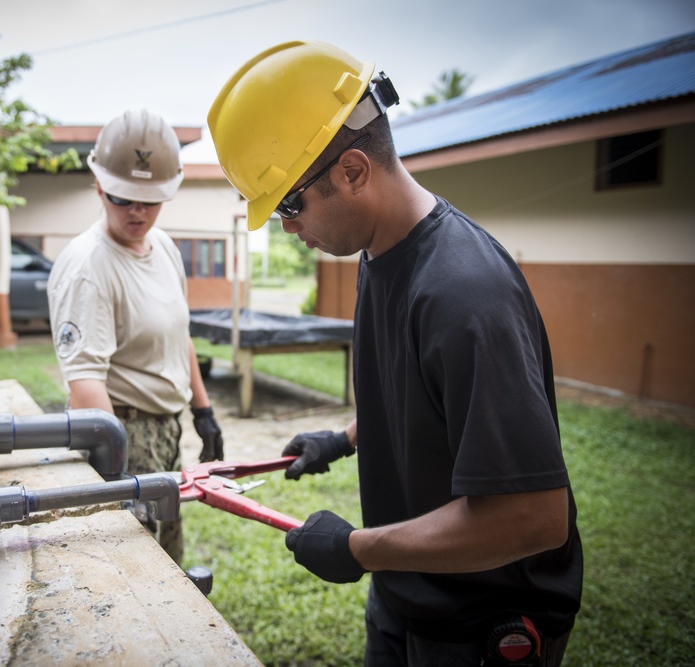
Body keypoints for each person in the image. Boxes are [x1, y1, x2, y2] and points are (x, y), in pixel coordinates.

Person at [208, 41, 583, 666]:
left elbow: (533, 516)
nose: (289, 229)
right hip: (406, 597)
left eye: (291, 205)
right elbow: (422, 395)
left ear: (354, 171)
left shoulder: (465, 295)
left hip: (481, 625)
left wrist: (359, 549)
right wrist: (346, 437)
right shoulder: (377, 254)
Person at [47, 108, 224, 566]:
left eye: (149, 200)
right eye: (123, 199)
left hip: (166, 429)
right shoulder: (88, 266)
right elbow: (85, 383)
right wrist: (118, 472)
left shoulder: (163, 247)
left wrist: (202, 412)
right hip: (120, 430)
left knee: (167, 556)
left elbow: (178, 335)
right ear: (99, 186)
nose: (137, 212)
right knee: (133, 569)